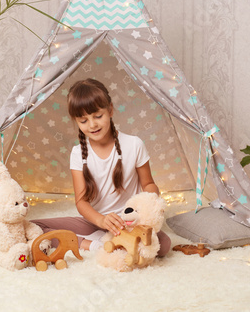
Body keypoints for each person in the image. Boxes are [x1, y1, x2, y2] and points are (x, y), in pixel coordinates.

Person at [32, 78, 171, 257]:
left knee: (163, 245)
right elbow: (81, 202)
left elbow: (149, 184)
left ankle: (118, 242)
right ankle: (94, 244)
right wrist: (101, 220)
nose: (93, 125)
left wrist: (145, 208)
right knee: (34, 228)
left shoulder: (134, 144)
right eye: (83, 120)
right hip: (96, 222)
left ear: (110, 110)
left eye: (98, 116)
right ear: (76, 121)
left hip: (130, 222)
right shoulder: (77, 154)